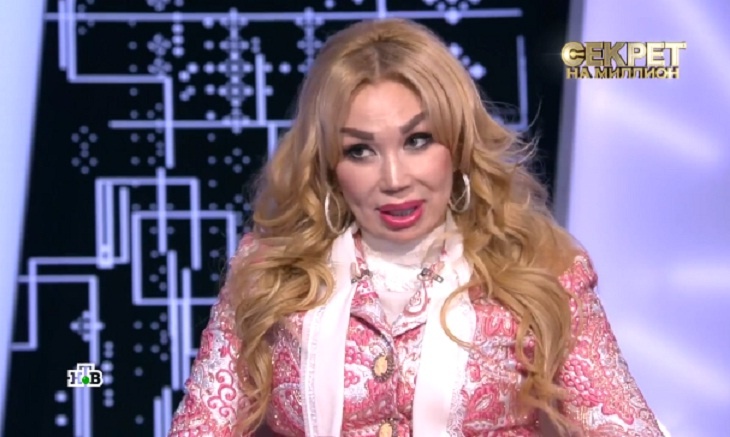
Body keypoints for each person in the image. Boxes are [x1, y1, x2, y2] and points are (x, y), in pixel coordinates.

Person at [168, 18, 663, 437]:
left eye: (418, 141)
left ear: (458, 144)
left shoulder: (540, 272)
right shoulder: (269, 276)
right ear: (330, 166)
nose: (394, 179)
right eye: (360, 150)